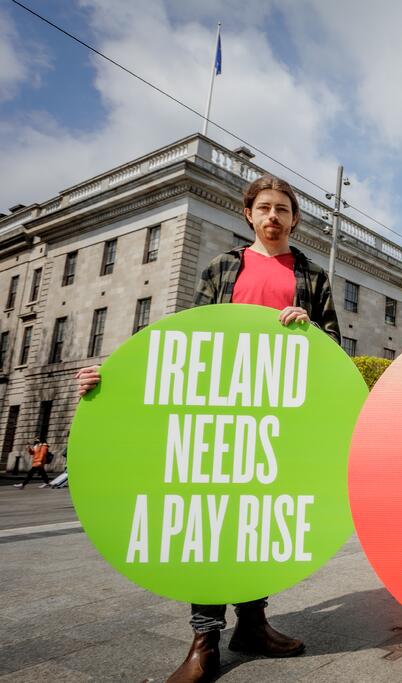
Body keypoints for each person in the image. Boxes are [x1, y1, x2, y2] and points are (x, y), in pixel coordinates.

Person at [76, 174, 339, 683]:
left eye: (283, 208)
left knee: (256, 517)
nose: (273, 216)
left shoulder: (312, 276)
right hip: (219, 416)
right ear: (249, 214)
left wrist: (308, 327)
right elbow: (185, 343)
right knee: (216, 516)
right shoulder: (223, 268)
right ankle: (204, 639)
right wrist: (112, 376)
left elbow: (332, 350)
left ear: (295, 218)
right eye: (264, 207)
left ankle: (253, 623)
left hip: (280, 416)